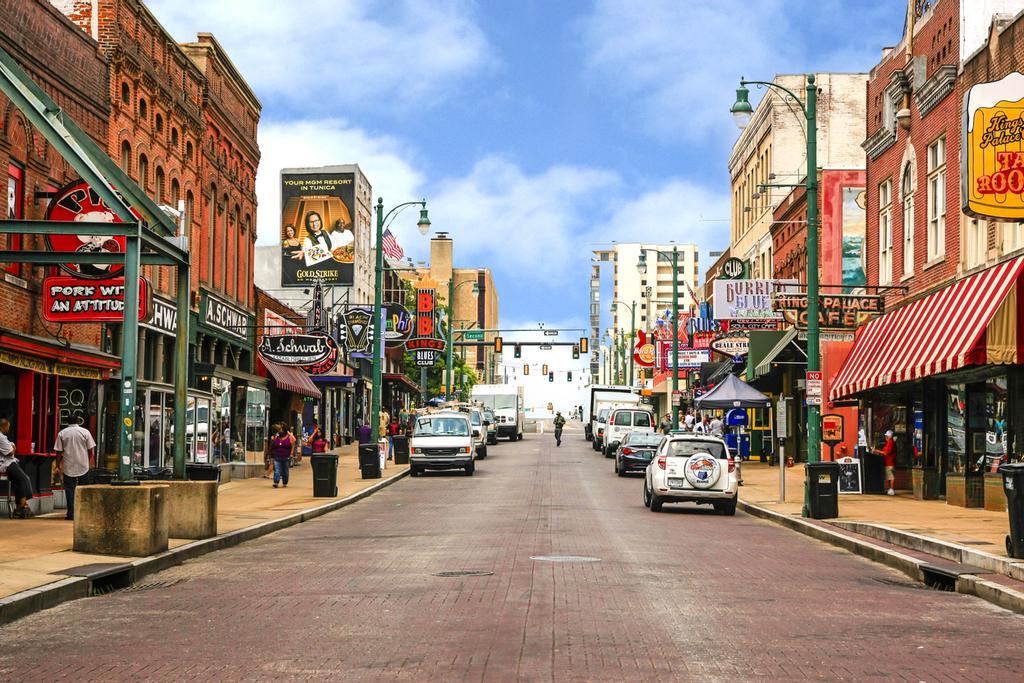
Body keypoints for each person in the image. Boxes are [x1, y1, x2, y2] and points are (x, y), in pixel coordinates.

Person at [53, 416, 95, 521]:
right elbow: (91, 450)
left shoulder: (62, 433)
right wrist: (88, 461)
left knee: (70, 490)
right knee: (83, 489)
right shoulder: (85, 432)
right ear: (77, 421)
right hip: (83, 465)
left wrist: (58, 465)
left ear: (68, 422)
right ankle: (84, 512)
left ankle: (71, 513)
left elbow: (58, 452)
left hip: (68, 465)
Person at [0, 418, 33, 518]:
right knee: (23, 479)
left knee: (18, 481)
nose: (8, 429)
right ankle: (22, 505)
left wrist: (12, 447)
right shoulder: (1, 437)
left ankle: (20, 506)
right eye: (8, 427)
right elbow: (10, 452)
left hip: (9, 462)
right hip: (6, 463)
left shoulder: (3, 437)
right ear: (4, 426)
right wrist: (12, 447)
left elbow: (11, 447)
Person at [268, 423, 294, 488]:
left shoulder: (289, 437)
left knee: (285, 471)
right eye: (279, 430)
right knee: (277, 470)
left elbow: (294, 441)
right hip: (277, 456)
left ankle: (285, 483)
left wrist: (291, 453)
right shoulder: (276, 436)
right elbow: (273, 445)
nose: (280, 431)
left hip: (286, 457)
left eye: (281, 429)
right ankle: (276, 482)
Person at [874, 430, 897, 495]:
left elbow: (886, 453)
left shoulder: (890, 443)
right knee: (889, 477)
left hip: (889, 462)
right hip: (889, 461)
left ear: (888, 436)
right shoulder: (890, 442)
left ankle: (891, 489)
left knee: (891, 477)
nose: (885, 437)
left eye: (886, 436)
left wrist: (876, 451)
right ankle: (890, 489)